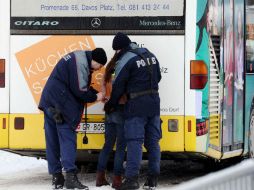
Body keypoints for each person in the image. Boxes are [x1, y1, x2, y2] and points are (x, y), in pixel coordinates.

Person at [38, 48, 107, 189]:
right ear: (95, 60)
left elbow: (76, 85)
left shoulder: (79, 57)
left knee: (53, 140)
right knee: (68, 139)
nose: (99, 69)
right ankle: (70, 178)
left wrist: (96, 93)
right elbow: (80, 91)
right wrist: (97, 97)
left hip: (50, 102)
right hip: (60, 106)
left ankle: (57, 177)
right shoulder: (81, 63)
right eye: (99, 66)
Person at [104, 32, 162, 190]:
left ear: (120, 48)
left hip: (136, 105)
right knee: (153, 142)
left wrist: (111, 105)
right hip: (154, 103)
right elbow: (158, 78)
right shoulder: (150, 55)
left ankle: (131, 180)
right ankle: (152, 179)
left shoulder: (126, 59)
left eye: (116, 50)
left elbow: (118, 87)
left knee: (134, 142)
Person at [96, 53, 127, 189]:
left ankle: (100, 177)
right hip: (120, 108)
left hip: (108, 110)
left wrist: (107, 99)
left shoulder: (108, 68)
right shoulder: (123, 68)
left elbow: (103, 90)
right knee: (120, 146)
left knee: (107, 145)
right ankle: (117, 180)